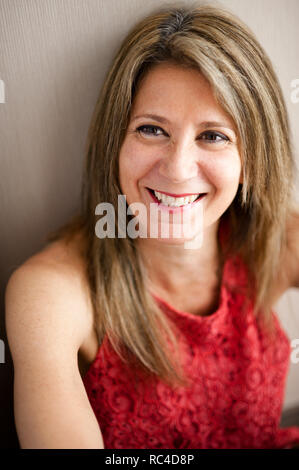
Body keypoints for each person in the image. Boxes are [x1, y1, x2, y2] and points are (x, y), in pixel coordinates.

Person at [5, 2, 299, 449]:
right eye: (151, 130)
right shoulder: (52, 292)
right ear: (115, 143)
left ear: (252, 160)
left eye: (213, 135)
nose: (178, 170)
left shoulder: (277, 242)